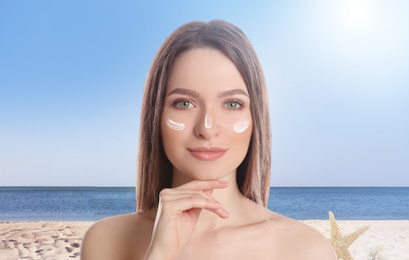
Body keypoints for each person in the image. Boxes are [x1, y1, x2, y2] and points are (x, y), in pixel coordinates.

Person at [80, 19, 337, 260]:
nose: (207, 128)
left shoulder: (306, 250)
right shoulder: (106, 241)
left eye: (232, 103)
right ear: (155, 116)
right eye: (184, 103)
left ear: (256, 118)